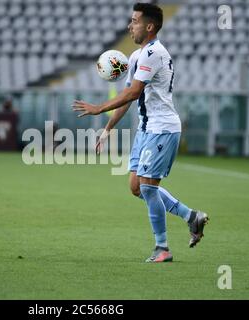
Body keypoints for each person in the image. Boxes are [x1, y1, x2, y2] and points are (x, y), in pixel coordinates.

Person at [73, 2, 208, 263]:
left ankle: (162, 248)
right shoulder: (136, 56)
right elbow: (127, 98)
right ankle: (192, 216)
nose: (129, 25)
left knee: (147, 188)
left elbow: (134, 93)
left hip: (162, 128)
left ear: (149, 26)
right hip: (147, 129)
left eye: (134, 21)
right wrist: (108, 129)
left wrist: (98, 108)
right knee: (137, 187)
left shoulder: (154, 53)